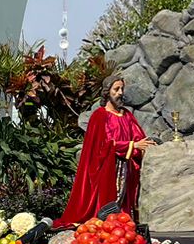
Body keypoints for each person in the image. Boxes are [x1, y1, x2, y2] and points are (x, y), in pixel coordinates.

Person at [57, 75, 156, 227]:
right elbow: (102, 146)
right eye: (116, 89)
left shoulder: (127, 115)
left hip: (126, 168)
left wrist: (145, 144)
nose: (120, 92)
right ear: (107, 92)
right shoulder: (99, 116)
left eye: (122, 89)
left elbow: (138, 137)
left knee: (124, 208)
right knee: (109, 208)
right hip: (107, 170)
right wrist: (132, 146)